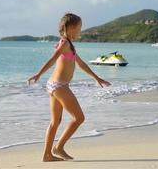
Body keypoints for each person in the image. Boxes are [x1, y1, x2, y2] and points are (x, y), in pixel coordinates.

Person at [27, 12, 111, 162]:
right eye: (79, 28)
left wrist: (96, 78)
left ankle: (47, 155)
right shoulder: (64, 43)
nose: (80, 31)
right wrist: (38, 74)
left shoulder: (69, 45)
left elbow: (81, 64)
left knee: (55, 122)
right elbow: (52, 59)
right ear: (71, 28)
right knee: (79, 118)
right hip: (59, 86)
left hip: (54, 85)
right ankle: (58, 148)